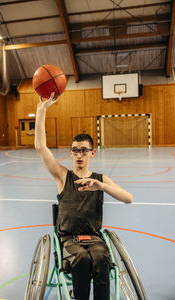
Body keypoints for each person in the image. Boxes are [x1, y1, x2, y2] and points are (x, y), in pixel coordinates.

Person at [35, 92, 133, 300]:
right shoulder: (63, 176)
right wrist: (41, 111)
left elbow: (128, 198)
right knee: (81, 259)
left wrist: (101, 186)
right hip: (69, 240)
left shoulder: (100, 179)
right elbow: (40, 147)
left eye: (84, 151)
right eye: (76, 151)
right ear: (71, 153)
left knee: (100, 258)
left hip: (95, 239)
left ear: (92, 153)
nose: (79, 155)